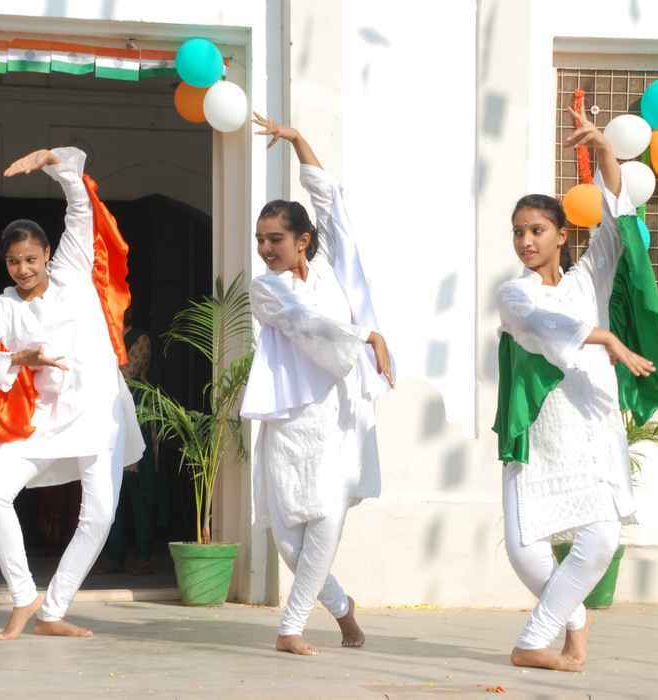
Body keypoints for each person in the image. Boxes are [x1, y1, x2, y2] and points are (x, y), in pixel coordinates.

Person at [493, 103, 658, 671]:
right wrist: (608, 339)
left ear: (561, 235)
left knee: (600, 541)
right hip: (539, 430)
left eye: (536, 230)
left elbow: (618, 223)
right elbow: (544, 325)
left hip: (591, 425)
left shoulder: (587, 279)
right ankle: (572, 626)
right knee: (524, 551)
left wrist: (604, 153)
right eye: (519, 232)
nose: (526, 241)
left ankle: (532, 643)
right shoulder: (514, 293)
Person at [0, 146, 144, 640]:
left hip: (98, 410)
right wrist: (14, 359)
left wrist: (55, 164)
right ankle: (23, 596)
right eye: (14, 261)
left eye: (31, 258)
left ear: (48, 255)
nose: (23, 268)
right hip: (42, 418)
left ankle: (53, 611)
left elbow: (80, 209)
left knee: (99, 516)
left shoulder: (73, 272)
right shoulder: (2, 308)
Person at [240, 114, 395, 656]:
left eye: (276, 239)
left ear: (303, 240)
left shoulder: (333, 269)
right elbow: (307, 325)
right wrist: (366, 335)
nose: (266, 248)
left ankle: (291, 628)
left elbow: (332, 205)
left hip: (337, 416)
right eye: (261, 240)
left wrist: (299, 142)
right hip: (288, 419)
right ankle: (344, 609)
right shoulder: (266, 289)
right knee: (289, 538)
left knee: (326, 521)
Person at [98, 318, 158, 575]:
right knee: (111, 491)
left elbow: (127, 373)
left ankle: (143, 555)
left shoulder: (140, 338)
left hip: (136, 412)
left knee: (138, 490)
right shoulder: (102, 335)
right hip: (107, 415)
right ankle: (114, 555)